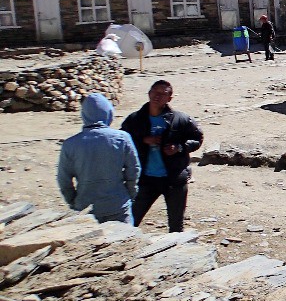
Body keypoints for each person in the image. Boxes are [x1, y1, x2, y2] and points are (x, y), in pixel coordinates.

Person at [121, 80, 204, 233]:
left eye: (163, 93)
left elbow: (197, 139)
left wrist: (179, 148)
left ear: (169, 98)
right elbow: (123, 142)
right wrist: (143, 140)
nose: (157, 96)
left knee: (176, 226)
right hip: (145, 179)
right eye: (154, 92)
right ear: (149, 93)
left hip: (174, 179)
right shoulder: (134, 120)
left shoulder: (181, 119)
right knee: (130, 221)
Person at [56, 93, 140, 224]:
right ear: (108, 112)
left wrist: (73, 201)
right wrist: (130, 194)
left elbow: (63, 179)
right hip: (118, 205)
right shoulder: (122, 138)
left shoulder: (70, 144)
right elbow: (134, 170)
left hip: (86, 208)